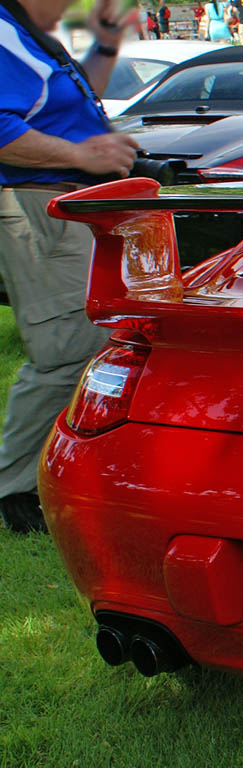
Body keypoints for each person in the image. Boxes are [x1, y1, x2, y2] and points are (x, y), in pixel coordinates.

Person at [0, 0, 139, 533]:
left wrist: (104, 43)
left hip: (69, 204)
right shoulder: (6, 35)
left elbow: (72, 107)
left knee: (94, 342)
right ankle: (14, 491)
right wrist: (82, 158)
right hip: (39, 206)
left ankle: (68, 471)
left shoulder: (27, 34)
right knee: (62, 352)